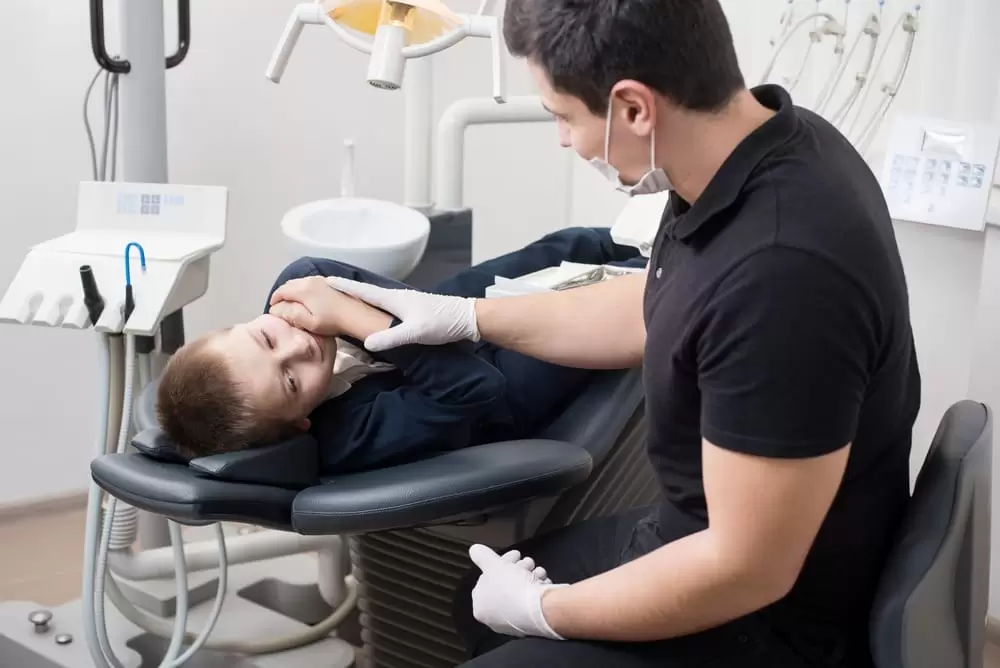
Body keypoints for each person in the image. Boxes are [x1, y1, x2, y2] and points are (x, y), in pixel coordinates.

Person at [270, 1, 922, 666]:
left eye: (563, 117)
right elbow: (660, 300)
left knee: (503, 626)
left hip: (763, 624)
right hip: (697, 540)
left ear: (634, 108)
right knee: (472, 599)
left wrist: (544, 612)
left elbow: (747, 569)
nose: (563, 140)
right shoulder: (757, 151)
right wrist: (464, 317)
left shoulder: (785, 273)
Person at [155, 226, 644, 471]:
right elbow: (477, 388)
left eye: (264, 338)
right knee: (603, 298)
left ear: (241, 325)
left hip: (449, 312)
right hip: (500, 392)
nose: (298, 348)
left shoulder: (294, 296)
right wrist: (354, 318)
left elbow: (305, 267)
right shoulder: (347, 437)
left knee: (574, 244)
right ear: (298, 423)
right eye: (289, 380)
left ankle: (661, 227)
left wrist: (435, 317)